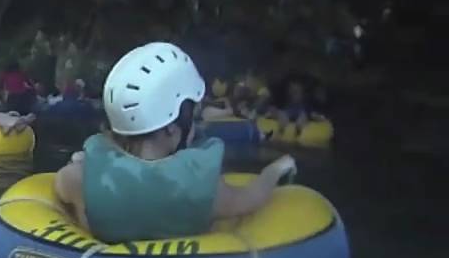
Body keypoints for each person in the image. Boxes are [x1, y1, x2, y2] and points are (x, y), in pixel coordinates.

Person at [54, 42, 297, 243]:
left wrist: (86, 162)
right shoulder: (205, 188)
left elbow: (63, 184)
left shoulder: (77, 179)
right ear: (172, 127)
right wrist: (275, 170)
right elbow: (251, 197)